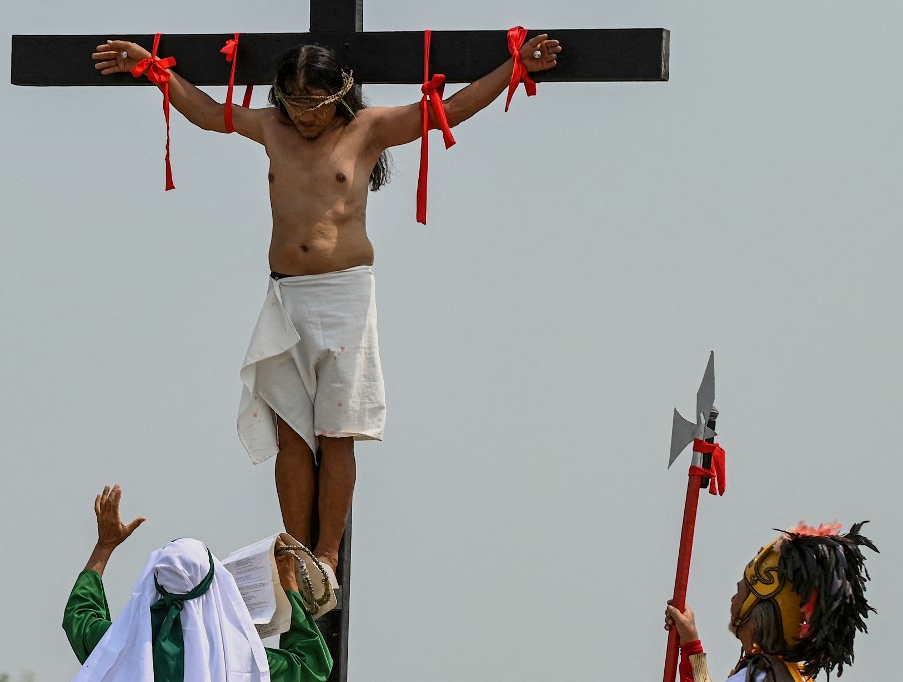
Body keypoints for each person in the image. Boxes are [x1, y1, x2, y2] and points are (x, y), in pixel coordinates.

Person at [90, 34, 563, 583]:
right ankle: (295, 552)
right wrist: (151, 68)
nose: (304, 114)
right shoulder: (273, 128)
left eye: (314, 101)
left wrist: (514, 67)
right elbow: (207, 113)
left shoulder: (368, 129)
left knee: (337, 433)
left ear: (339, 91)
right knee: (291, 429)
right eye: (293, 101)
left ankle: (329, 555)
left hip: (344, 294)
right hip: (286, 293)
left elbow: (448, 110)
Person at [63, 484, 332, 681]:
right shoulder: (242, 664)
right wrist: (289, 584)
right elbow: (311, 666)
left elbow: (79, 616)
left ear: (154, 583)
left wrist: (105, 546)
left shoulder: (118, 646)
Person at [664, 521, 878, 682]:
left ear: (757, 610)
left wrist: (691, 644)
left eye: (740, 589)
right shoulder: (793, 674)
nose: (732, 597)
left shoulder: (761, 674)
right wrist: (690, 642)